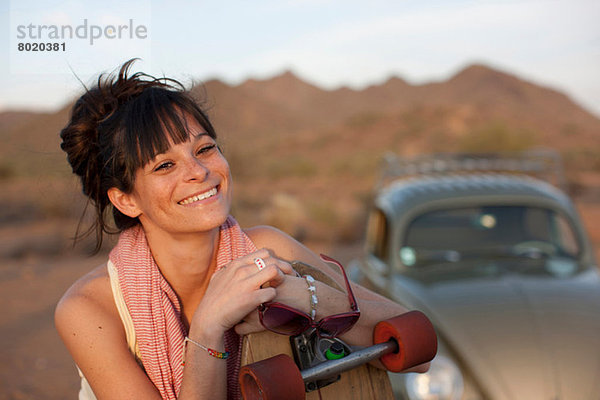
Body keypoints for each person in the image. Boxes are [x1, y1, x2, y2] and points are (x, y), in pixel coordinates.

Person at [55, 59, 426, 400]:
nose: (198, 172)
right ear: (126, 200)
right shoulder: (89, 310)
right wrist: (206, 331)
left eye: (204, 149)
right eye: (164, 166)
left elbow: (418, 351)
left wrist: (308, 298)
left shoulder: (266, 248)